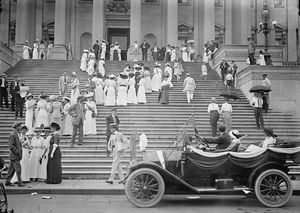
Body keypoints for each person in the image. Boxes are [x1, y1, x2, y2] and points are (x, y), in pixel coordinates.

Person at [5, 122, 26, 187]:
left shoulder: (17, 134)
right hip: (15, 155)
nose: (21, 127)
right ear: (16, 127)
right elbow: (11, 146)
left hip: (15, 155)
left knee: (11, 169)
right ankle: (20, 182)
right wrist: (17, 152)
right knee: (18, 169)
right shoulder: (13, 134)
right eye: (19, 126)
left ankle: (7, 182)